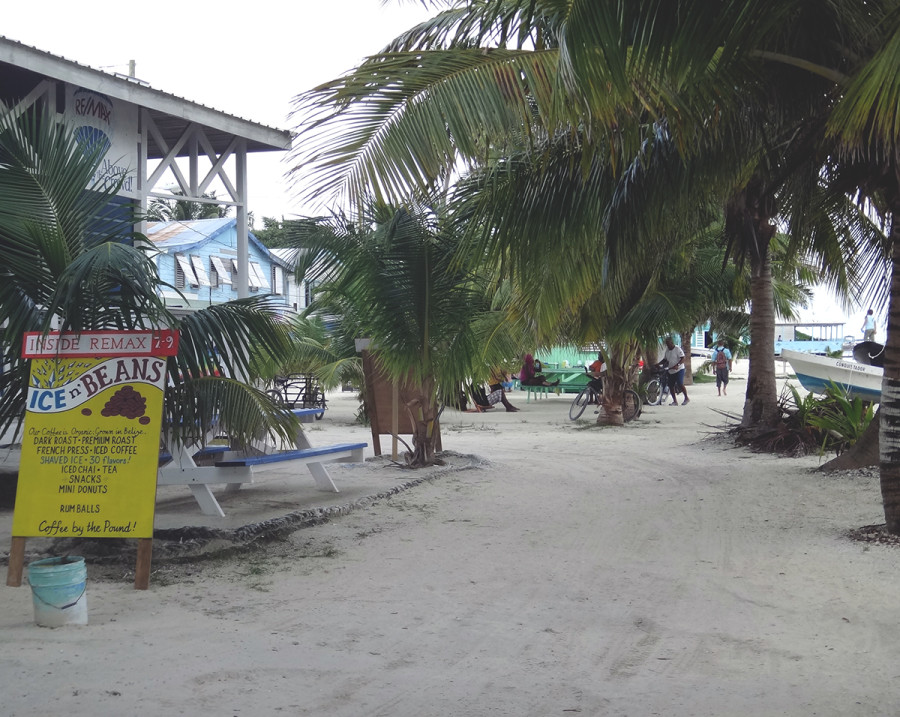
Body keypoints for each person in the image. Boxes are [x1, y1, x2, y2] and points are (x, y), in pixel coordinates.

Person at [656, 337, 689, 406]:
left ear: (672, 343)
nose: (668, 345)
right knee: (671, 385)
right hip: (671, 370)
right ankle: (675, 401)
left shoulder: (677, 349)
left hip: (679, 369)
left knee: (680, 383)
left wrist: (678, 365)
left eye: (668, 344)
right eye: (667, 344)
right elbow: (665, 359)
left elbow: (683, 358)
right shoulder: (667, 350)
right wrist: (658, 364)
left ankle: (686, 398)